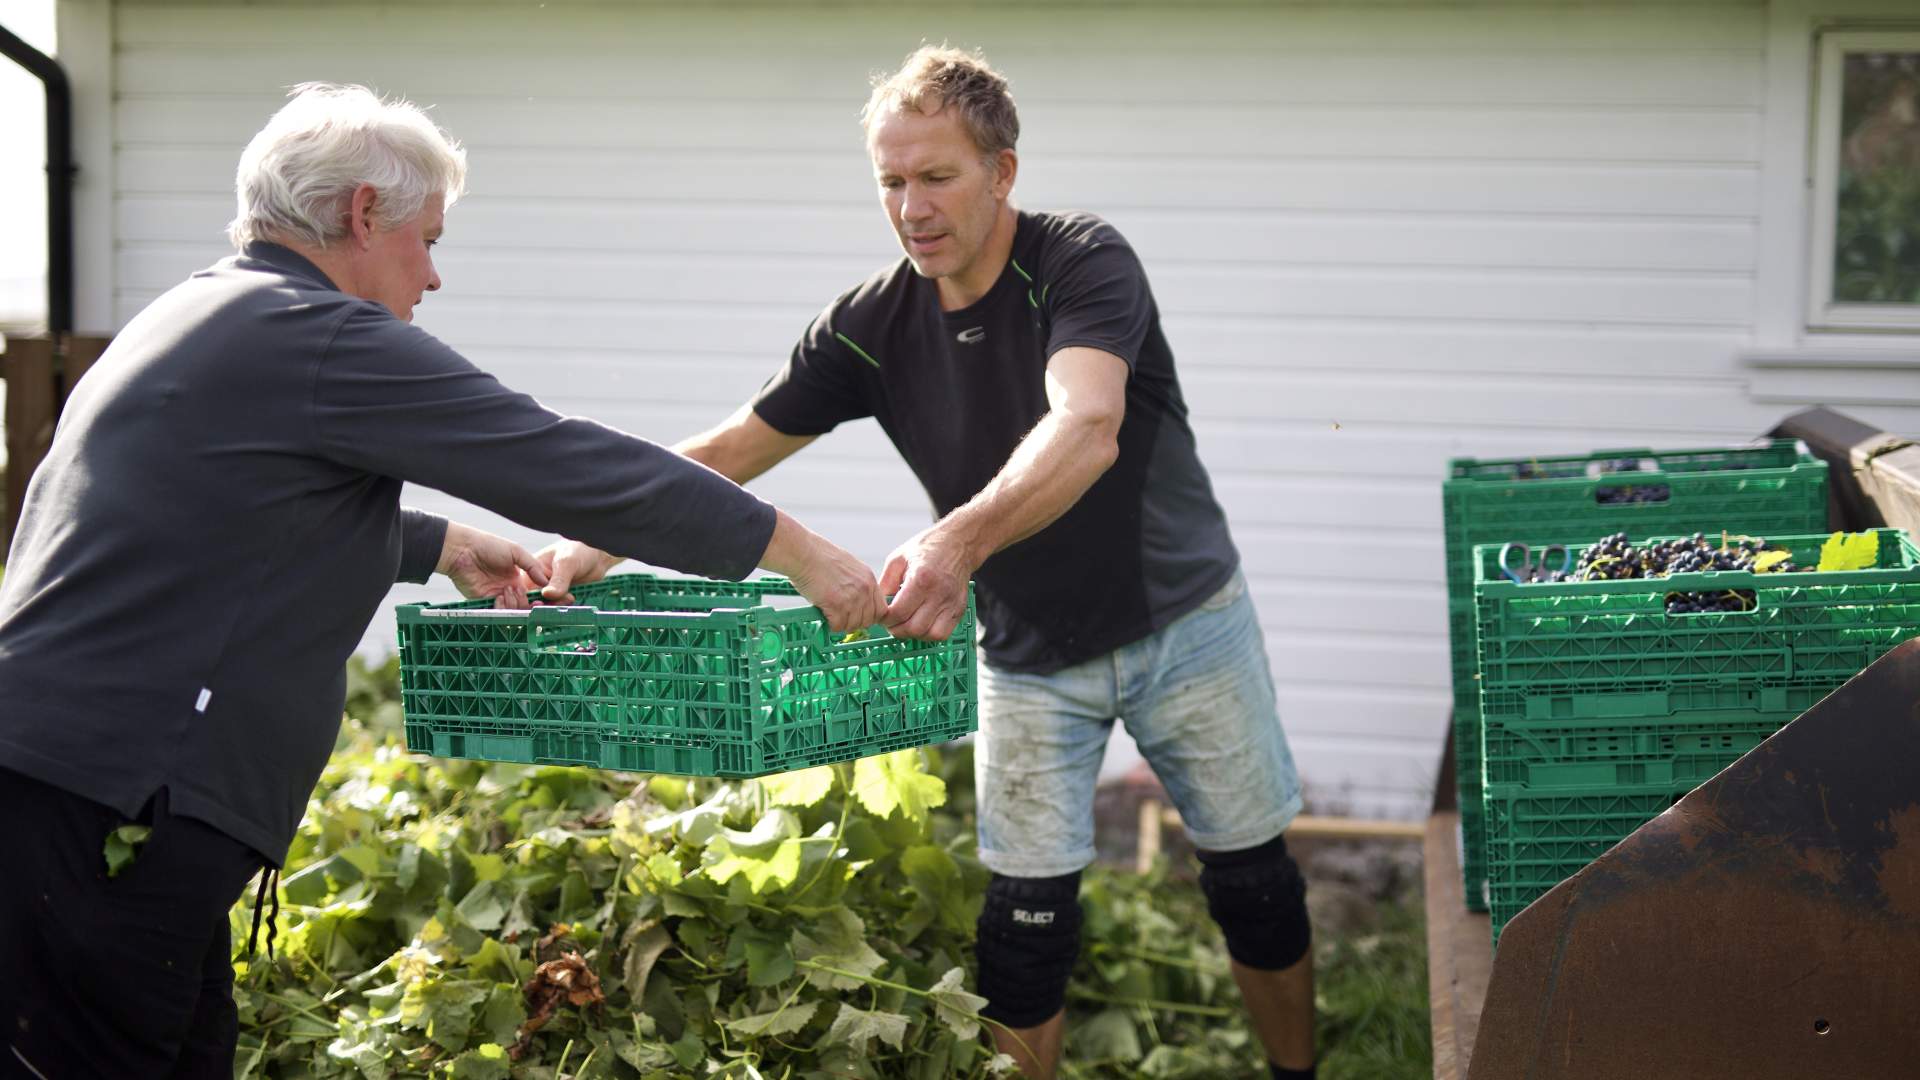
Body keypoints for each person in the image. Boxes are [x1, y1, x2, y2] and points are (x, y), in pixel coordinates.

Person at [0, 83, 883, 1080]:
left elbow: (217, 523)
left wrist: (435, 546)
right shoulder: (318, 333)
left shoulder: (205, 311)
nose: (432, 276)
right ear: (361, 214)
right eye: (427, 238)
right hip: (109, 809)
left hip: (78, 799)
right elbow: (562, 461)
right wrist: (796, 550)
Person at [538, 46, 1316, 1080]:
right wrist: (591, 535)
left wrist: (954, 542)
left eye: (936, 176)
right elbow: (724, 453)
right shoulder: (870, 327)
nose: (912, 206)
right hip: (1031, 656)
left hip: (1185, 621)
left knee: (1253, 885)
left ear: (1001, 172)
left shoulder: (1082, 261)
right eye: (891, 181)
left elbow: (1086, 424)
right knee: (1025, 928)